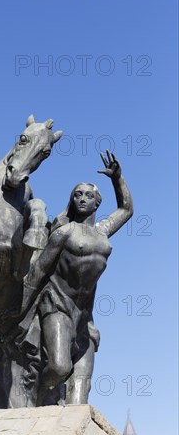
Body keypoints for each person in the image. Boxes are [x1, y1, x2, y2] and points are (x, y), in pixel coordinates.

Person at [25, 150, 133, 406]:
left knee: (80, 391)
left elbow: (126, 209)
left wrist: (118, 179)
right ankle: (33, 403)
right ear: (71, 200)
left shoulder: (102, 232)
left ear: (97, 202)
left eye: (89, 195)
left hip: (84, 319)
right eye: (77, 194)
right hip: (57, 308)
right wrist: (18, 314)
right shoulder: (63, 232)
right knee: (60, 367)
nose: (82, 199)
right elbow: (38, 272)